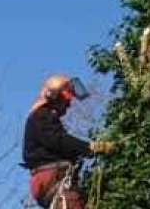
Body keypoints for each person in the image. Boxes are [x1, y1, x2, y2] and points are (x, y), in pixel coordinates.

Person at [23, 74, 114, 208]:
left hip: (51, 178)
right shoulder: (41, 116)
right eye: (66, 100)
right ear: (55, 97)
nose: (69, 105)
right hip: (52, 177)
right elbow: (60, 141)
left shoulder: (45, 119)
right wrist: (90, 147)